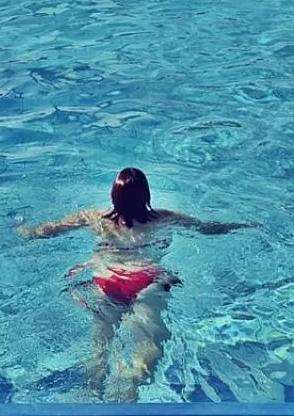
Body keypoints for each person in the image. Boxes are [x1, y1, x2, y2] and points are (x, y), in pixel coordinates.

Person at [18, 168, 256, 401]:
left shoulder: (94, 218)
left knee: (99, 348)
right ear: (146, 195)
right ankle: (129, 388)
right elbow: (208, 229)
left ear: (114, 196)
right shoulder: (166, 218)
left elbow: (48, 230)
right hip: (147, 281)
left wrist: (22, 230)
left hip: (107, 281)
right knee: (150, 344)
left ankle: (92, 391)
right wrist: (242, 225)